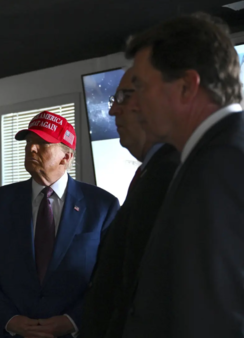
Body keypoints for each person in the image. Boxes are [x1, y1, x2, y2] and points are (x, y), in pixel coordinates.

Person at [122, 13, 244, 338]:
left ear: (188, 86)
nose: (135, 104)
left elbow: (213, 317)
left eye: (142, 87)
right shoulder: (215, 155)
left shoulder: (220, 166)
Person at [0, 111, 120, 338]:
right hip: (8, 331)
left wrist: (71, 321)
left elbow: (110, 277)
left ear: (66, 157)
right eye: (29, 142)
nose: (31, 148)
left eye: (42, 143)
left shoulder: (102, 206)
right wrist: (11, 319)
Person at [80, 68, 180, 338]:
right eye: (113, 101)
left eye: (123, 97)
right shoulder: (151, 173)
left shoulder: (173, 174)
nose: (112, 112)